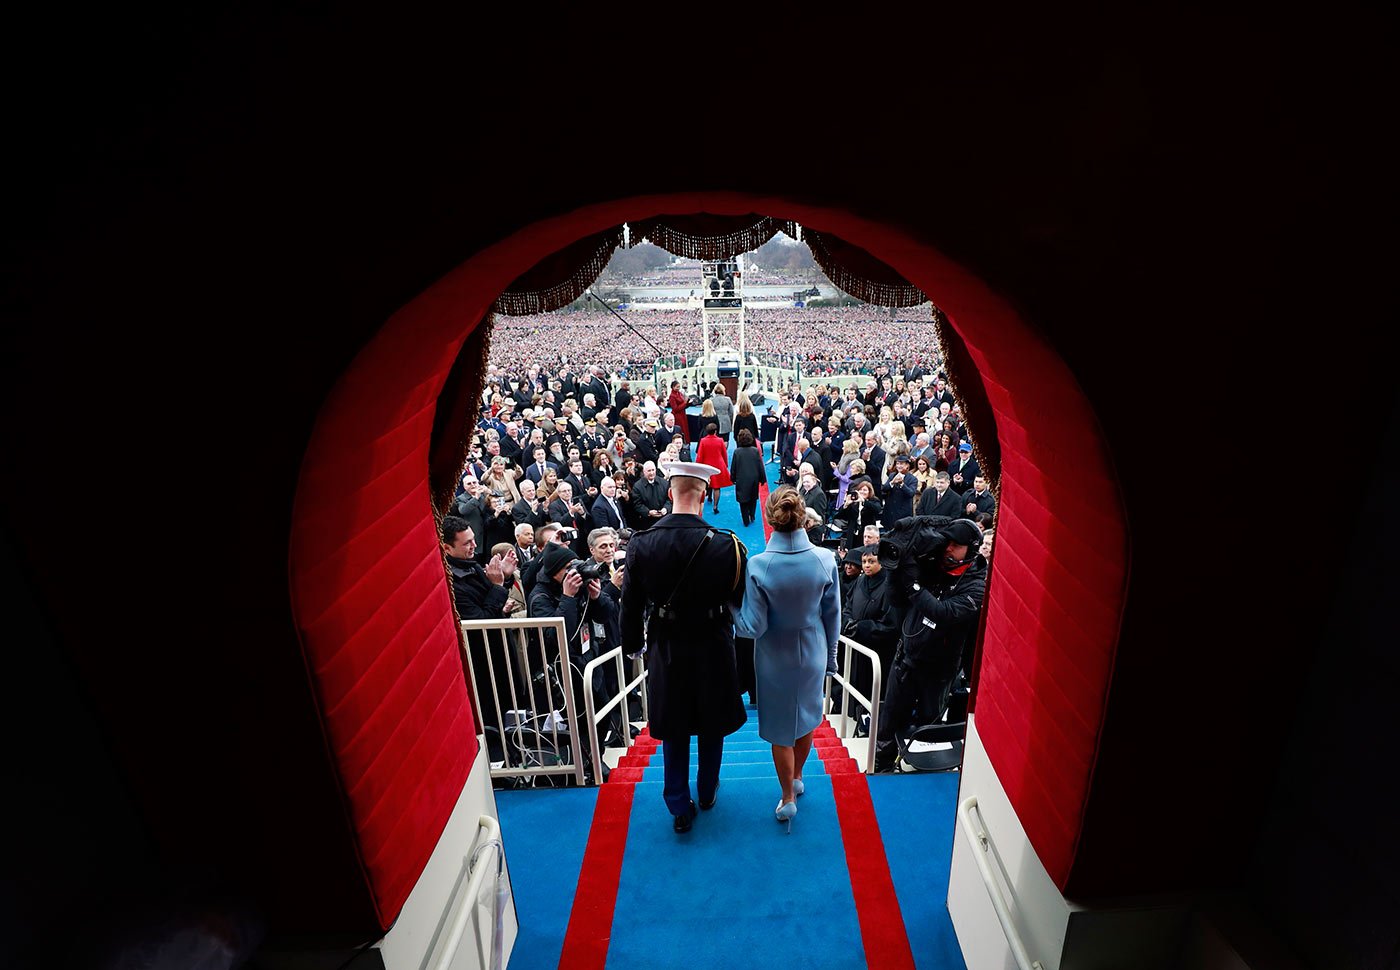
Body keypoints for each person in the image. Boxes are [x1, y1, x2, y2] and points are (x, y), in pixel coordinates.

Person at [620, 460, 748, 834]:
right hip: (712, 643)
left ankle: (678, 803)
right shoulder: (728, 545)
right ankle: (707, 791)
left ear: (669, 493)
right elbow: (739, 601)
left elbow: (631, 606)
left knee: (674, 726)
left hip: (667, 646)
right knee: (712, 724)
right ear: (704, 495)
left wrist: (632, 647)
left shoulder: (641, 544)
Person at [733, 486, 841, 827]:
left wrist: (731, 607)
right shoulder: (826, 559)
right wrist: (833, 658)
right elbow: (833, 614)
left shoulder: (759, 565)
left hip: (774, 656)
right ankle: (797, 778)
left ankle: (787, 796)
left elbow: (752, 626)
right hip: (813, 650)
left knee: (781, 729)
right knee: (807, 718)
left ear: (770, 519)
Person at [874, 518, 989, 772]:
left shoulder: (977, 584)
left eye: (956, 545)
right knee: (889, 723)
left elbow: (942, 612)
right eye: (947, 542)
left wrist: (913, 584)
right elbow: (895, 599)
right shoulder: (931, 563)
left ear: (970, 549)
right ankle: (881, 769)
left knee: (930, 727)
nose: (948, 548)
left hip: (939, 671)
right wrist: (899, 570)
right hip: (906, 660)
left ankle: (924, 773)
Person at [694, 422, 732, 514]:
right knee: (717, 487)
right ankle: (715, 506)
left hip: (707, 465)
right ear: (715, 431)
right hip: (718, 465)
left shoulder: (703, 441)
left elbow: (700, 455)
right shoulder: (720, 441)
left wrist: (698, 466)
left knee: (707, 483)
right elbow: (724, 454)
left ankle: (709, 497)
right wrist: (725, 465)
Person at [730, 428, 765, 527]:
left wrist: (732, 478)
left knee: (743, 501)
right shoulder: (755, 451)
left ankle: (745, 520)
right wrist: (763, 479)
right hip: (754, 478)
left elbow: (734, 467)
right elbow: (760, 465)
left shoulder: (737, 452)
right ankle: (752, 515)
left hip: (741, 479)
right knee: (753, 498)